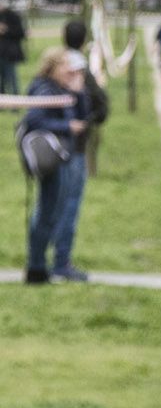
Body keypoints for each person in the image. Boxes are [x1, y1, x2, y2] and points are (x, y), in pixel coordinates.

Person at [20, 48, 92, 284]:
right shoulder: (44, 88)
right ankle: (37, 267)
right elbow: (34, 120)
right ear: (52, 68)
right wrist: (66, 127)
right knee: (47, 213)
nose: (69, 70)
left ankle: (42, 265)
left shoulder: (63, 87)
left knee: (55, 211)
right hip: (53, 158)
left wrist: (79, 90)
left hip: (64, 156)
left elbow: (83, 115)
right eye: (64, 65)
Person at [62, 19, 110, 177]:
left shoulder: (58, 63)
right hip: (76, 135)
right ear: (83, 41)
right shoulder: (80, 69)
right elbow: (98, 102)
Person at [0, 0, 28, 94]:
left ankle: (15, 99)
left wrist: (6, 31)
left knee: (11, 77)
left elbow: (21, 33)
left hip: (9, 52)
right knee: (2, 78)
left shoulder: (13, 16)